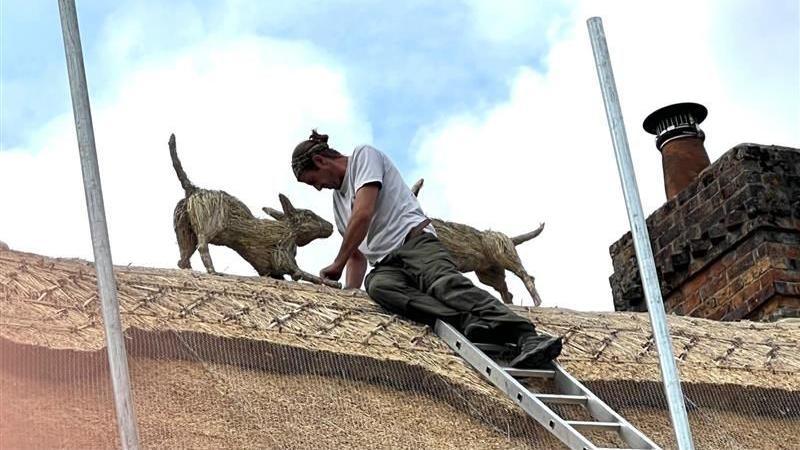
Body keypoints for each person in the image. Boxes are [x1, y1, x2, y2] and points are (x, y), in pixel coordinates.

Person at [291, 130, 561, 368]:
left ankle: (526, 335)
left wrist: (335, 264)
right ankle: (468, 322)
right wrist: (350, 293)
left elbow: (363, 214)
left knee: (444, 284)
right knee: (380, 287)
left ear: (321, 161)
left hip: (415, 243)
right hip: (386, 266)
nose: (317, 188)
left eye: (312, 180)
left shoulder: (364, 157)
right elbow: (358, 255)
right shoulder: (338, 203)